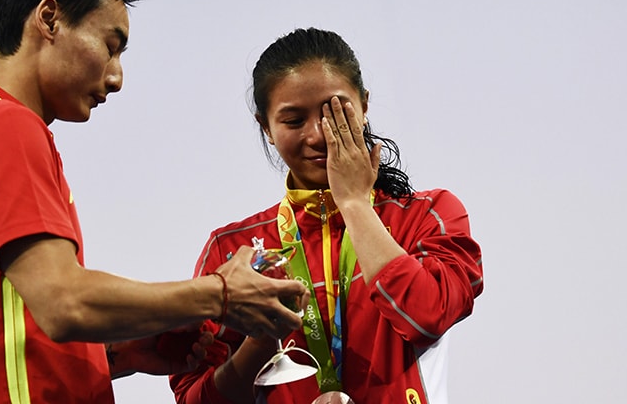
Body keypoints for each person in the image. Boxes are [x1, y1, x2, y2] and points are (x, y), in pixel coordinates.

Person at [0, 0, 307, 403]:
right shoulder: (4, 127)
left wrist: (114, 354)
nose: (116, 77)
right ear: (49, 18)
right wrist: (220, 294)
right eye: (111, 46)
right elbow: (63, 302)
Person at [169, 28, 484, 404]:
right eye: (293, 121)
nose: (318, 135)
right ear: (266, 127)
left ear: (364, 106)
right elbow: (194, 397)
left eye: (333, 112)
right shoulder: (233, 250)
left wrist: (354, 204)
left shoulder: (427, 215)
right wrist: (262, 340)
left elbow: (425, 316)